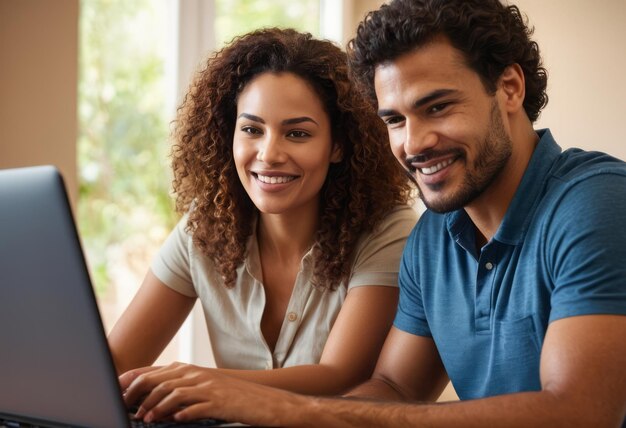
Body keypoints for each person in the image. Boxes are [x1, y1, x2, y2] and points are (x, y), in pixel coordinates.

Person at [119, 0, 626, 426]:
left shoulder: (594, 202)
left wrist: (281, 408)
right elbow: (396, 386)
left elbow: (580, 411)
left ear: (510, 88)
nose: (414, 143)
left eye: (438, 107)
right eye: (395, 119)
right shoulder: (434, 239)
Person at [108, 27, 417, 412]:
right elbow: (116, 363)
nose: (269, 154)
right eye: (252, 129)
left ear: (338, 145)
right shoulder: (203, 228)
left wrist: (207, 383)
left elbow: (341, 375)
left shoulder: (388, 232)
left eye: (298, 133)